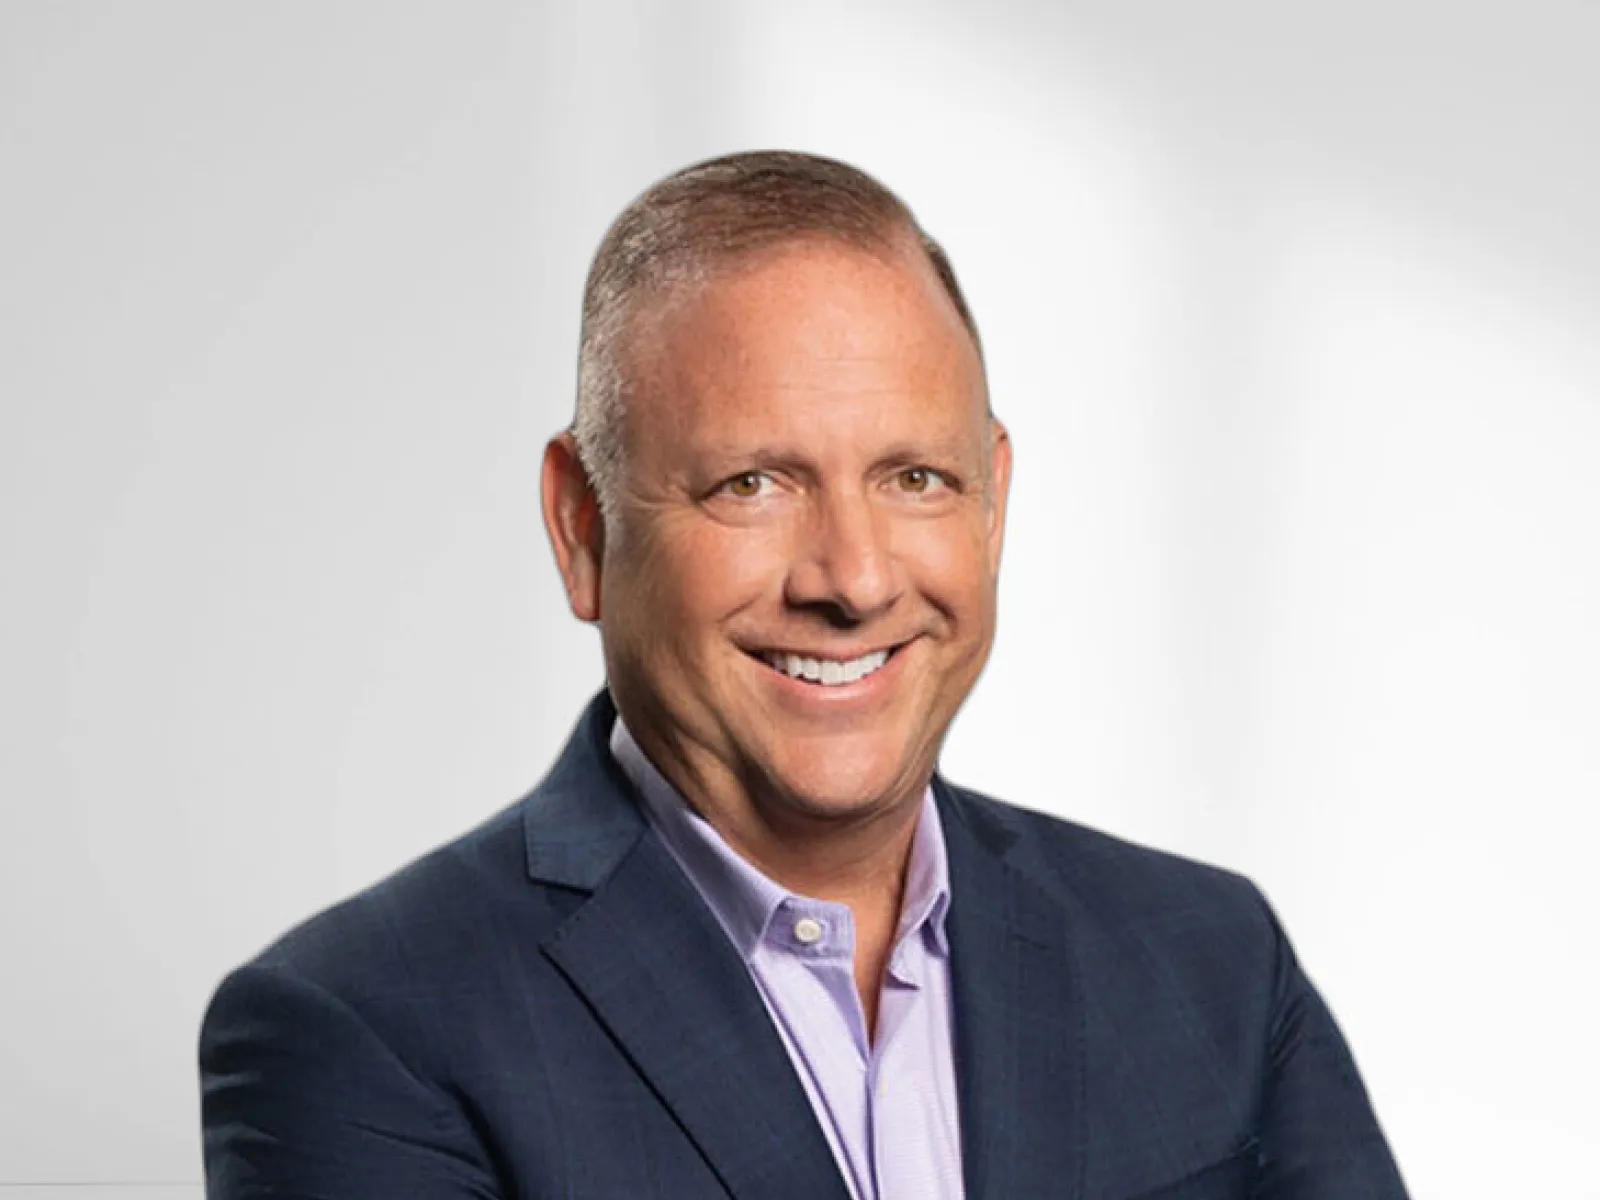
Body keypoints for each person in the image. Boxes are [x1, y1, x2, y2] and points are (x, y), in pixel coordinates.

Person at [199, 151, 1409, 1199]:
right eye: (752, 484)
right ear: (583, 529)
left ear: (991, 507)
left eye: (914, 479)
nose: (854, 578)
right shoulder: (361, 1033)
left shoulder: (1207, 958)